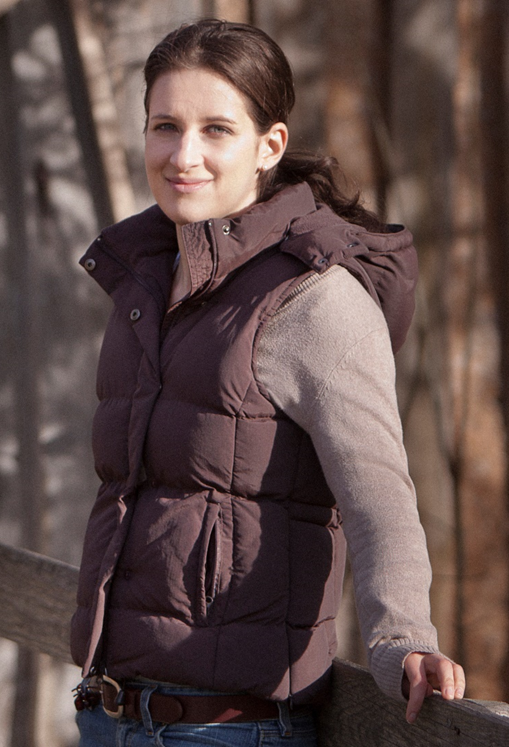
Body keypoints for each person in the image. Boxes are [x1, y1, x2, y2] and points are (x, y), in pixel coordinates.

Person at [71, 18, 465, 747]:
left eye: (216, 129)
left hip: (226, 729)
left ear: (269, 146)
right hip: (109, 712)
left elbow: (378, 491)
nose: (183, 155)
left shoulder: (313, 298)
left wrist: (403, 637)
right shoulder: (144, 279)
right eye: (165, 126)